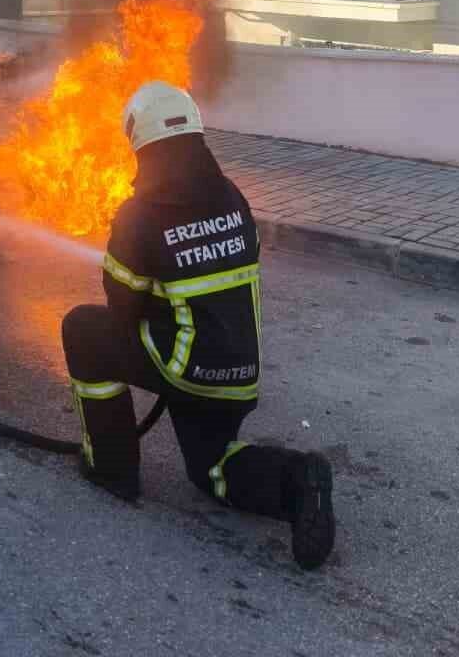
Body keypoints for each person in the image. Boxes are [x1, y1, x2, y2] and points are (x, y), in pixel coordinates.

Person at [61, 80, 336, 571]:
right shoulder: (232, 197)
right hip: (238, 373)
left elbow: (121, 314)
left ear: (141, 145)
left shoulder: (140, 215)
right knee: (211, 470)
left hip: (186, 368)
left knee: (84, 330)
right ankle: (297, 482)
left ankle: (113, 465)